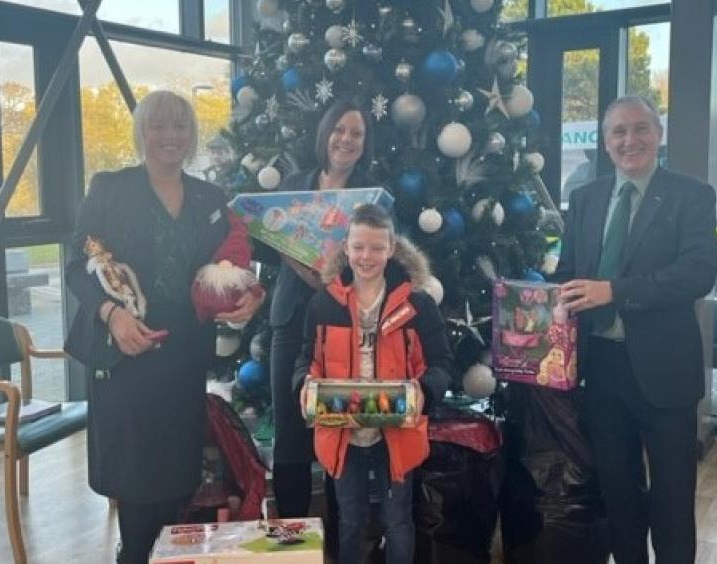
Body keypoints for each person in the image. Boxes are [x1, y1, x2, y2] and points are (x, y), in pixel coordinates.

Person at [64, 90, 263, 564]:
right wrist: (112, 316)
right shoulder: (110, 188)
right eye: (159, 125)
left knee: (178, 477)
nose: (170, 136)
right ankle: (133, 555)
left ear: (191, 136)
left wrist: (251, 294)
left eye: (180, 126)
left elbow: (232, 264)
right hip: (126, 347)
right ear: (142, 132)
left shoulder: (209, 197)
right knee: (136, 483)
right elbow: (77, 265)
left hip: (183, 352)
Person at [555, 95, 717, 563]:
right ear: (605, 143)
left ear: (658, 134)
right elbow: (569, 272)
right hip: (602, 372)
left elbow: (697, 273)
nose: (630, 140)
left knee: (671, 502)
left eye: (640, 129)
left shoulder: (691, 195)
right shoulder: (585, 199)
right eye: (618, 132)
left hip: (665, 372)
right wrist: (533, 301)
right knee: (619, 497)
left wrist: (614, 291)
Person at [294, 204, 451, 564]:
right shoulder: (322, 305)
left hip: (398, 433)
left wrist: (422, 391)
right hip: (342, 433)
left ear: (391, 249)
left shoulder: (418, 305)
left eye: (377, 248)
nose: (367, 256)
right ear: (346, 248)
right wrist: (304, 384)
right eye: (359, 247)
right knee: (350, 519)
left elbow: (442, 365)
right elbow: (307, 359)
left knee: (398, 520)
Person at [262, 99, 377, 519]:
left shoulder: (371, 197)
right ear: (325, 133)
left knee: (336, 425)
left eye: (357, 133)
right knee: (290, 430)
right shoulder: (296, 183)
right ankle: (293, 536)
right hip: (291, 321)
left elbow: (375, 258)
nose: (346, 139)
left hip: (343, 324)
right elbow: (270, 240)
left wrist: (327, 276)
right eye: (339, 129)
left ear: (365, 143)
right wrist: (303, 263)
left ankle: (336, 536)